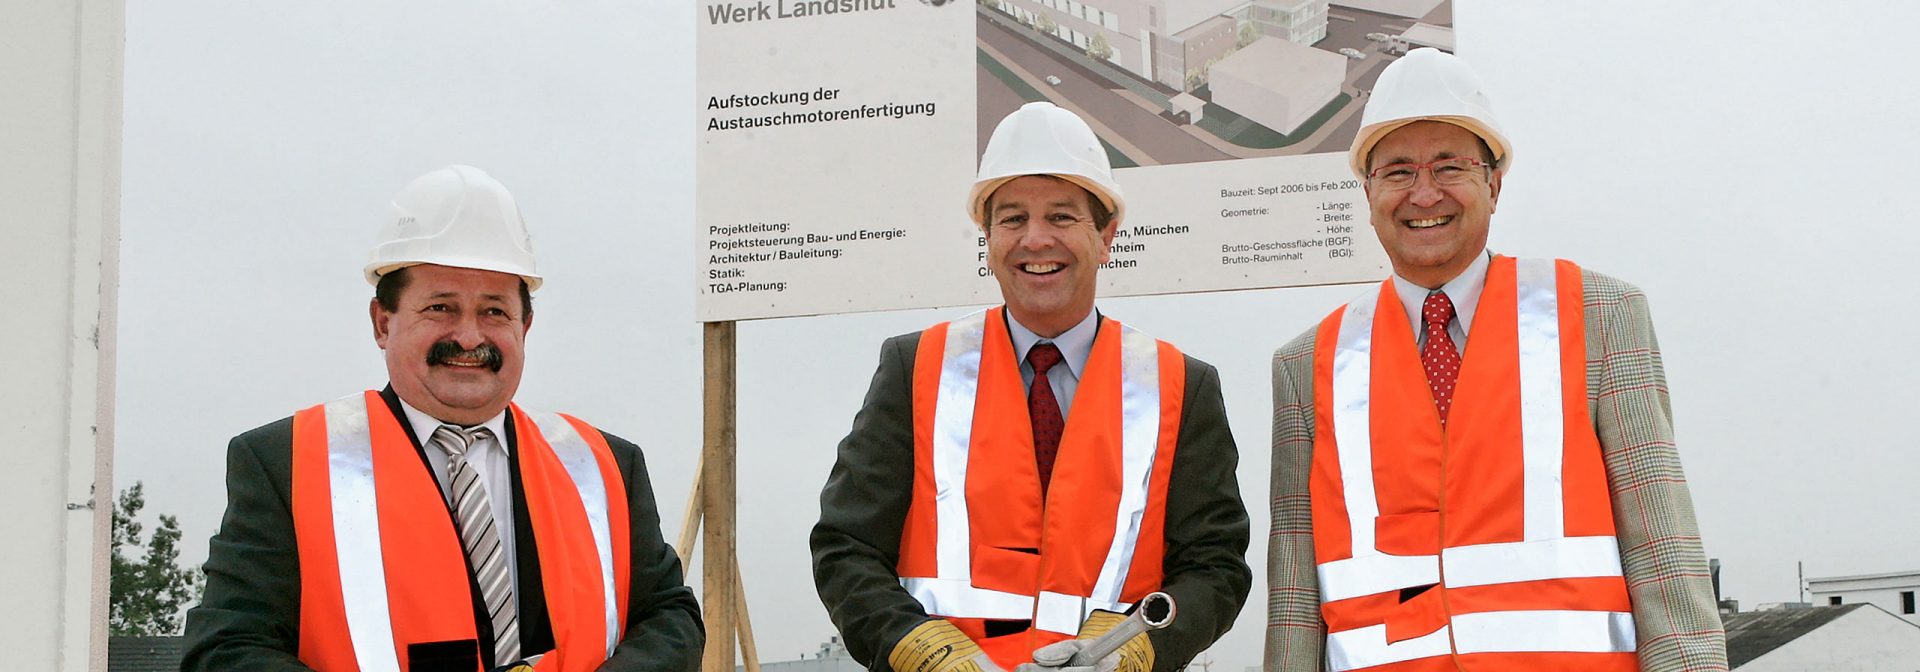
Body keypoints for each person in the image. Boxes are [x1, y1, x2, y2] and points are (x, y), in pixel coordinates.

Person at [1265, 49, 1727, 671]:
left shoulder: (1598, 314)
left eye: (1450, 166)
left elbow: (1662, 547)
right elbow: (1295, 594)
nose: (1423, 192)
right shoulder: (1307, 365)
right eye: (1398, 171)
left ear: (1494, 184)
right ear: (1368, 191)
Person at [182, 165, 703, 672]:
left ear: (527, 324)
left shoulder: (602, 463)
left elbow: (669, 617)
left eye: (494, 311)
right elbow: (227, 648)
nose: (471, 337)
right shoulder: (287, 462)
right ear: (382, 322)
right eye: (441, 308)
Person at [811, 102, 1251, 672]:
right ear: (988, 238)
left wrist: (1135, 650)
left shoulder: (1180, 385)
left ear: (1106, 235)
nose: (1035, 239)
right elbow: (847, 548)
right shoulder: (914, 368)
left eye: (1062, 218)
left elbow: (1216, 567)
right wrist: (921, 652)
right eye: (1013, 219)